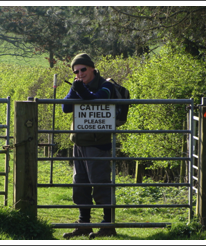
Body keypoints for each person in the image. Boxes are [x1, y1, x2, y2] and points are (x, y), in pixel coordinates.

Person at [62, 53, 117, 239]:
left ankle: (108, 225)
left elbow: (98, 99)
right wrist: (76, 89)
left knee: (100, 183)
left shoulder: (106, 85)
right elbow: (65, 107)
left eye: (83, 69)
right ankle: (84, 224)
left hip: (98, 144)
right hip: (79, 144)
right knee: (80, 184)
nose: (80, 73)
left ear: (92, 68)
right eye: (76, 71)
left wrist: (81, 91)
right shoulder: (78, 85)